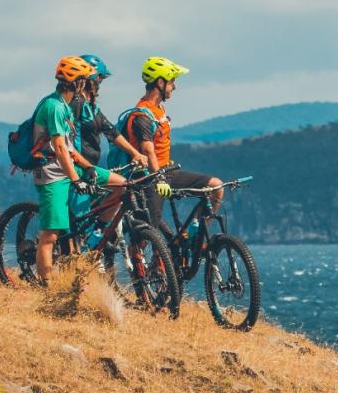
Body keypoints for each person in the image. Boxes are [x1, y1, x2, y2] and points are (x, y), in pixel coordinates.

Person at [32, 56, 126, 284]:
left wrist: (87, 168)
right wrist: (76, 178)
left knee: (121, 185)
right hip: (52, 175)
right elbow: (61, 148)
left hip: (71, 168)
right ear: (80, 83)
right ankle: (47, 287)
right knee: (50, 235)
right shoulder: (53, 106)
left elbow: (71, 149)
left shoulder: (65, 106)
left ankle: (97, 233)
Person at [123, 56, 223, 233]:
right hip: (149, 178)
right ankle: (142, 257)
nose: (174, 87)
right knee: (147, 230)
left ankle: (193, 235)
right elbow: (147, 151)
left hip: (165, 172)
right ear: (160, 82)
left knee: (216, 186)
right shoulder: (142, 116)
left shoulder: (159, 109)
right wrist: (159, 179)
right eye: (172, 82)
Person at [68, 53, 145, 220]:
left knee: (122, 186)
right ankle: (79, 241)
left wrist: (135, 153)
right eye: (99, 79)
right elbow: (65, 139)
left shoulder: (91, 106)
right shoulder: (75, 104)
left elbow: (112, 132)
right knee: (78, 221)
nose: (100, 84)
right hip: (78, 167)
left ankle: (98, 231)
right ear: (90, 77)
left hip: (90, 167)